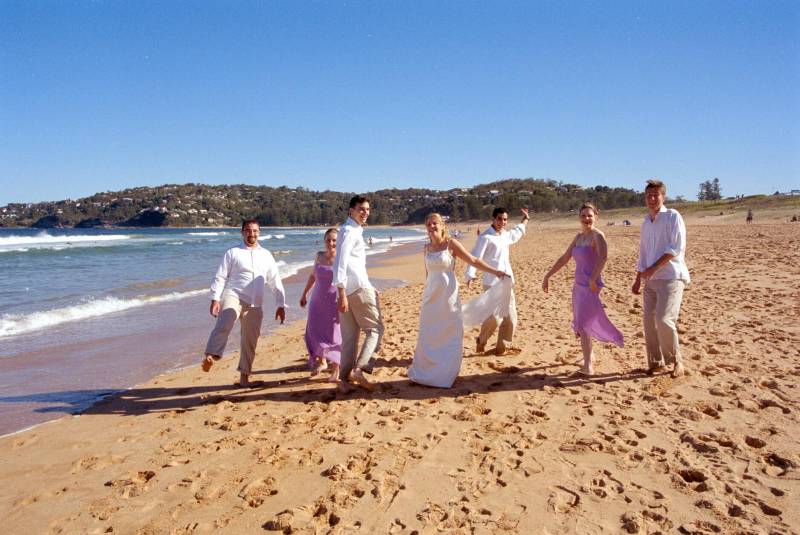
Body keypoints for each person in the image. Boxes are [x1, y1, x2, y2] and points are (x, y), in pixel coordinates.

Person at [408, 213, 508, 388]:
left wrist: (495, 272)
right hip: (431, 297)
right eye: (428, 224)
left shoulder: (451, 244)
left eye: (435, 223)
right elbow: (428, 274)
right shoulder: (426, 248)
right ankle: (426, 372)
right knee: (429, 333)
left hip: (448, 296)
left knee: (450, 331)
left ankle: (445, 373)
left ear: (442, 225)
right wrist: (425, 294)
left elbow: (473, 260)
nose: (431, 227)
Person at [201, 219, 286, 387]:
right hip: (234, 295)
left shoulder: (266, 255)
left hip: (255, 303)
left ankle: (244, 378)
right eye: (248, 230)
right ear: (242, 232)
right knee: (225, 322)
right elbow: (220, 276)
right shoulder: (233, 253)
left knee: (250, 341)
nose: (251, 234)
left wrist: (280, 304)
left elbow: (274, 280)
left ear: (259, 233)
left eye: (254, 231)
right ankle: (211, 355)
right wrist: (215, 298)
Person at [542, 203, 624, 375]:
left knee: (585, 324)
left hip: (590, 286)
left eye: (590, 216)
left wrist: (593, 277)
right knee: (581, 323)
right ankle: (590, 355)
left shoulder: (597, 235)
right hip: (578, 286)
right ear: (579, 217)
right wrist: (548, 275)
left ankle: (588, 367)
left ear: (596, 217)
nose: (586, 219)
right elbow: (565, 258)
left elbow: (603, 257)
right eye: (583, 216)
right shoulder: (578, 237)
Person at [632, 179, 690, 378]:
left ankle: (676, 361)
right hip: (650, 279)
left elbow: (675, 248)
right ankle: (656, 363)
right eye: (648, 195)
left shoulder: (672, 216)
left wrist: (653, 268)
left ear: (663, 197)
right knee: (649, 321)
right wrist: (638, 278)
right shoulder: (646, 222)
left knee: (664, 319)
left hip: (671, 276)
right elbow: (643, 252)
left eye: (656, 195)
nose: (652, 199)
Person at [333, 195, 384, 392]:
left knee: (350, 338)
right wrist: (341, 292)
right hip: (356, 290)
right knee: (375, 330)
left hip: (353, 288)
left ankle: (344, 379)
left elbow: (355, 266)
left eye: (367, 209)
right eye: (361, 209)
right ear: (351, 211)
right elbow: (340, 263)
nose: (365, 213)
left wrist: (369, 285)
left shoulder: (351, 230)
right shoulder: (349, 231)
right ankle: (360, 369)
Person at [465, 207, 529, 355]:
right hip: (491, 282)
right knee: (494, 317)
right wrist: (470, 275)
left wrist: (525, 219)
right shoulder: (485, 237)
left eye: (505, 219)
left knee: (511, 318)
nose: (502, 222)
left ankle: (502, 348)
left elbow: (517, 232)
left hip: (507, 281)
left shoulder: (505, 235)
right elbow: (475, 257)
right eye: (499, 218)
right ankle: (481, 340)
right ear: (493, 219)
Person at [299, 228, 341, 382]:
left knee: (334, 334)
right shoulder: (319, 256)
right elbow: (313, 276)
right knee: (313, 330)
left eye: (334, 240)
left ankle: (336, 368)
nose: (331, 243)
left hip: (334, 301)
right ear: (324, 241)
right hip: (317, 301)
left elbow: (351, 278)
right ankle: (322, 361)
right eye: (328, 240)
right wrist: (305, 294)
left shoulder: (342, 258)